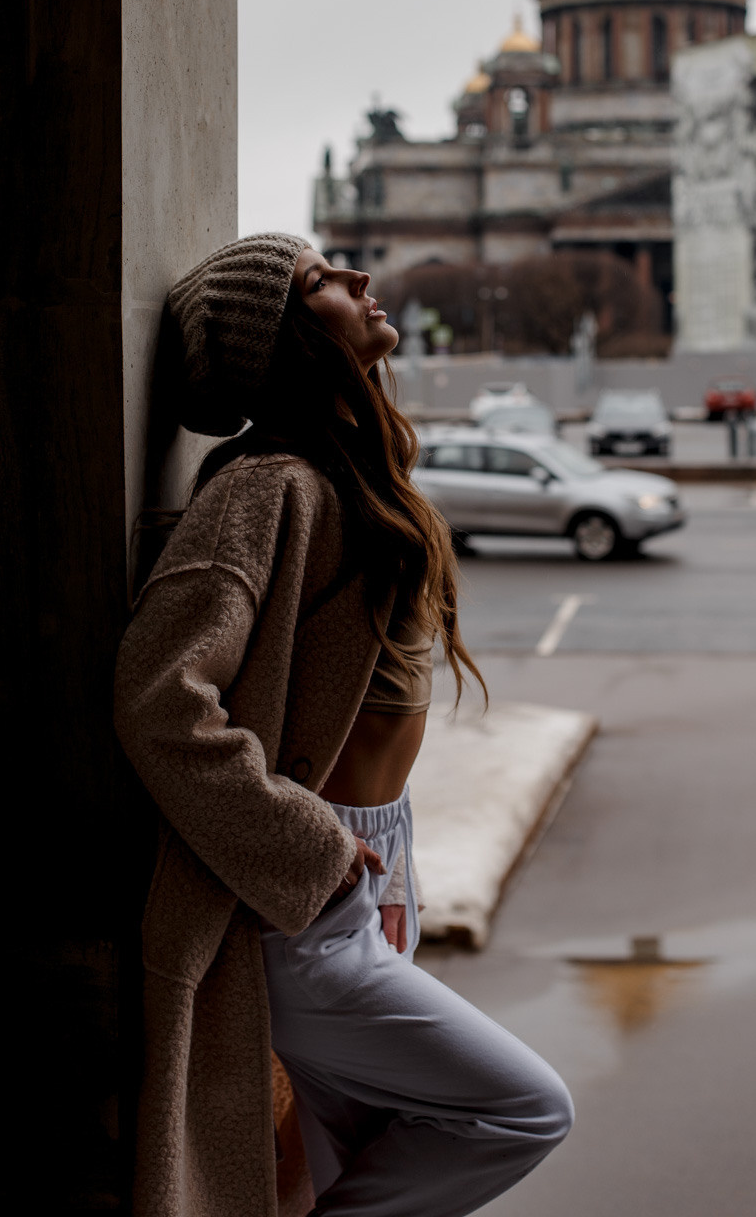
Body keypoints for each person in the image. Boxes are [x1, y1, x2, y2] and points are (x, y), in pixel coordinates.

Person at [114, 233, 573, 1217]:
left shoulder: (346, 477)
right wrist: (309, 850)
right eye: (319, 281)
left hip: (366, 867)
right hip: (300, 895)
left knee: (349, 1154)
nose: (357, 280)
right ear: (279, 341)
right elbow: (160, 698)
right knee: (523, 1107)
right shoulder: (265, 487)